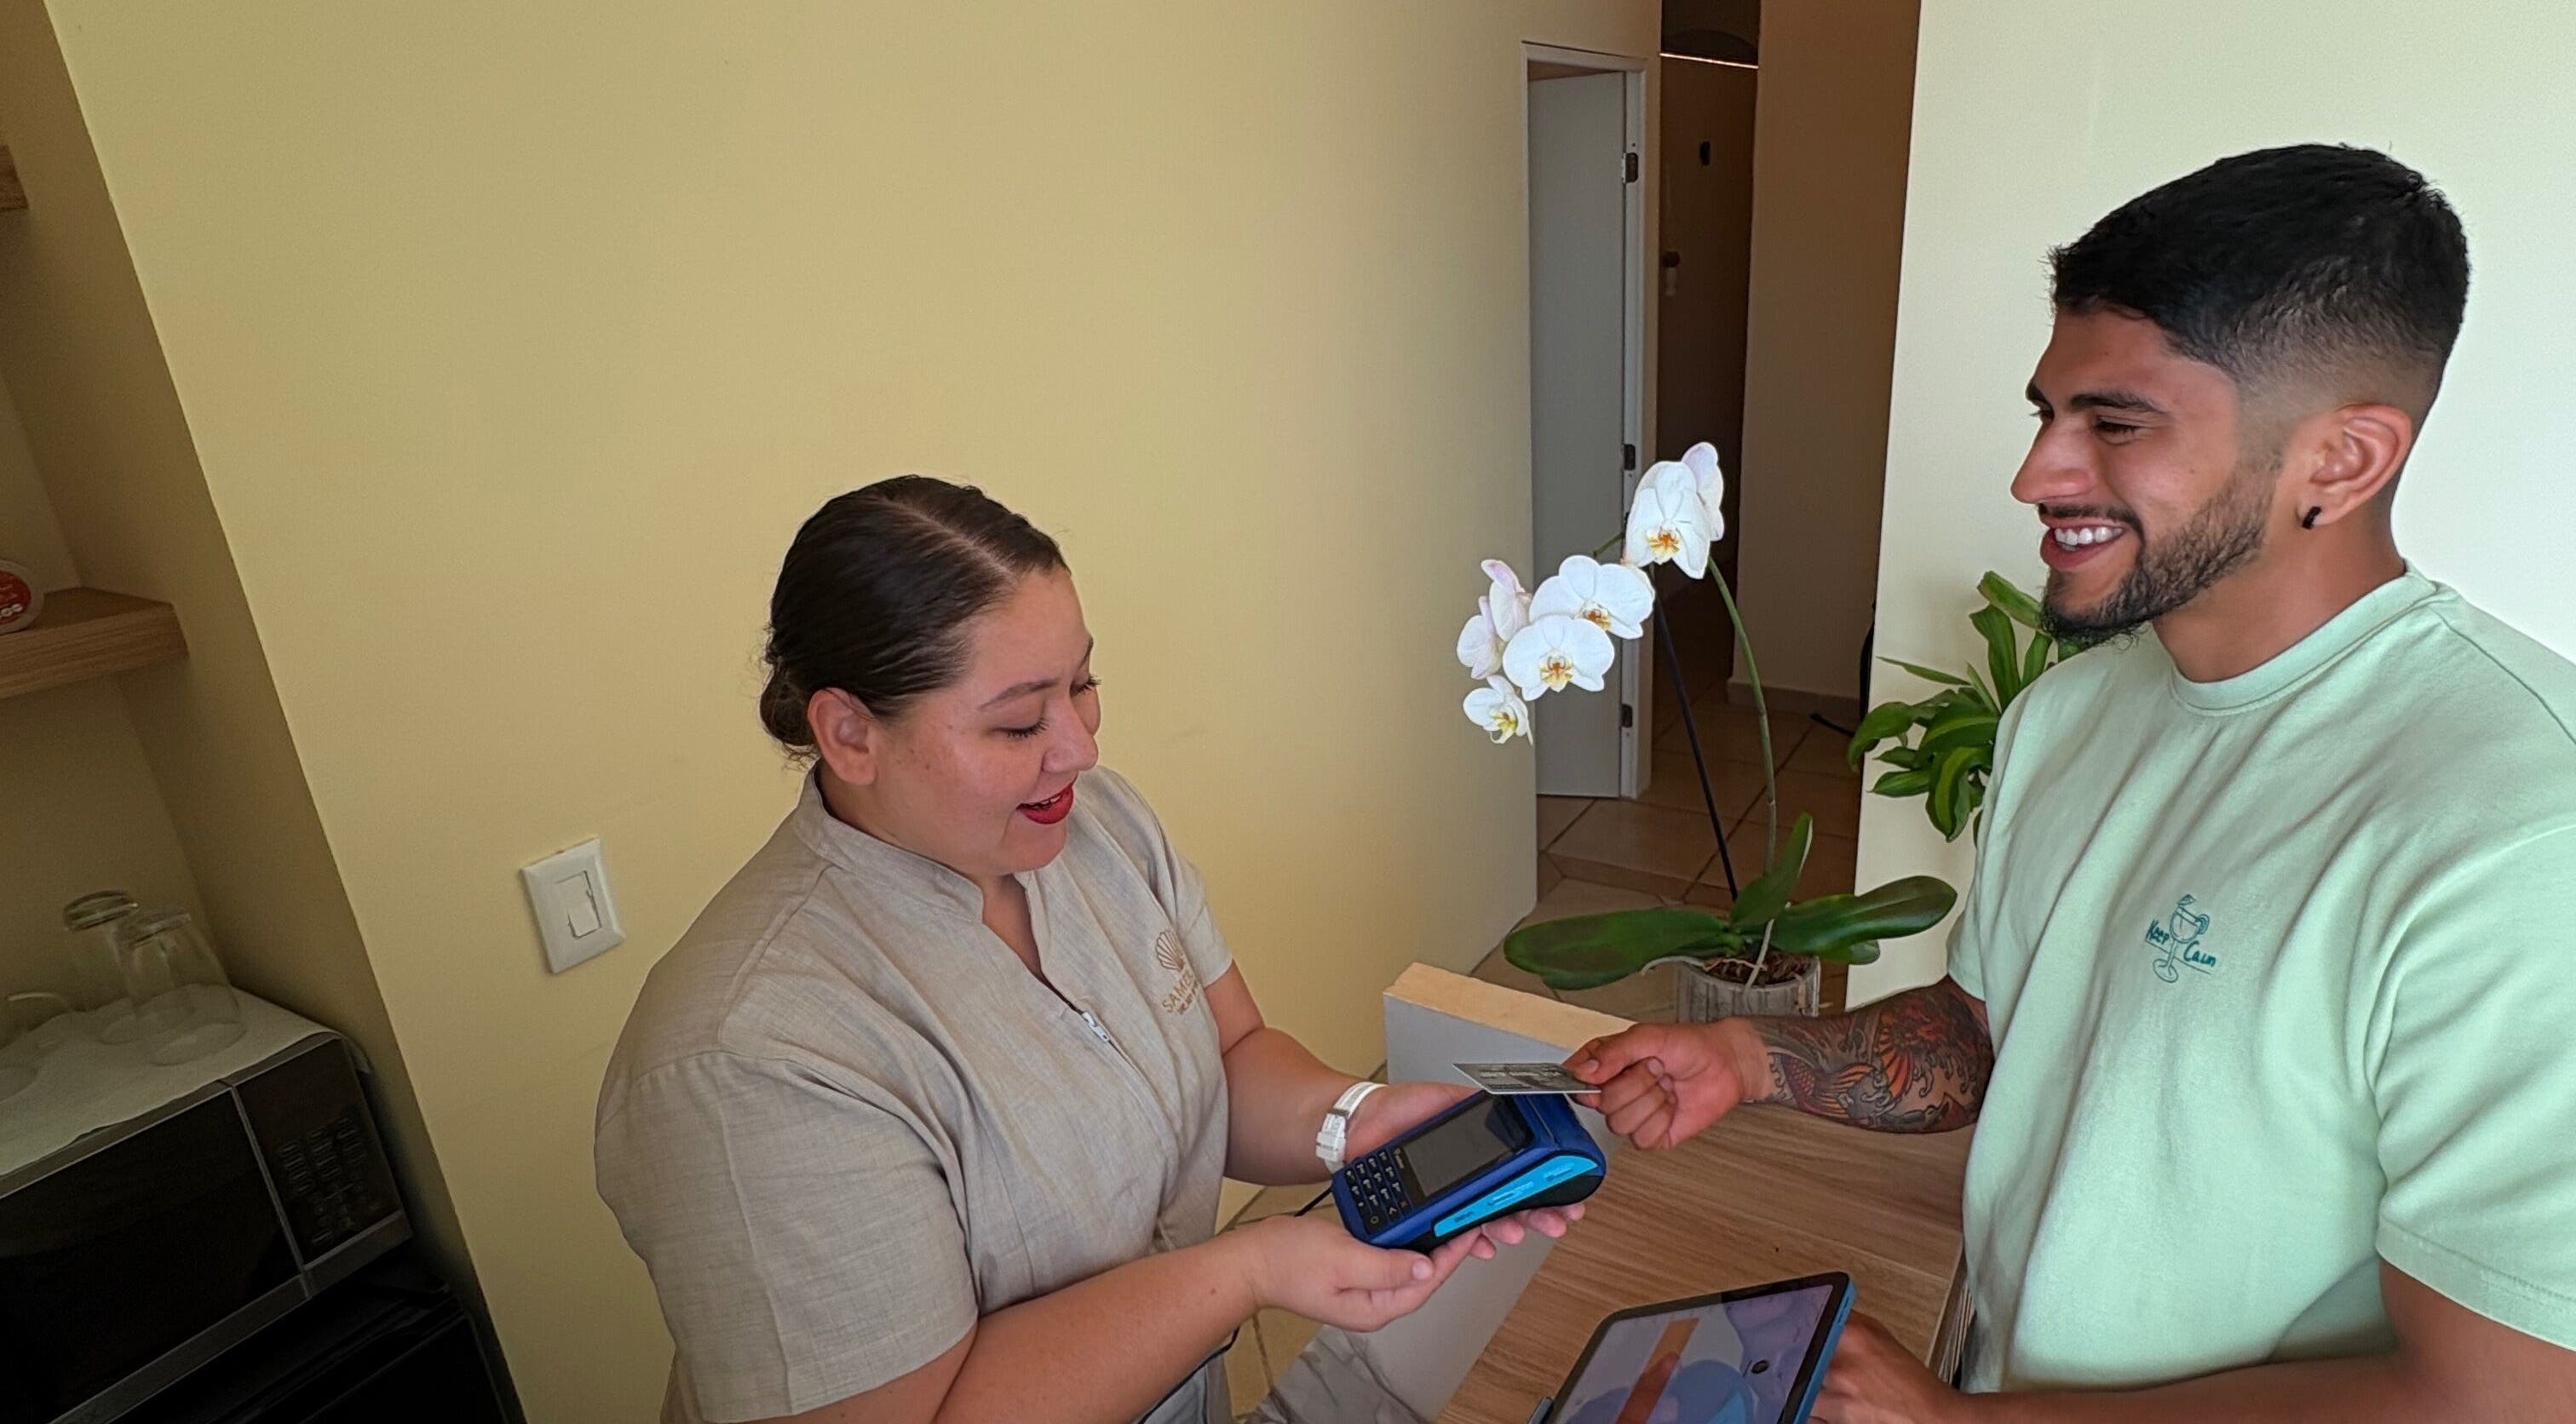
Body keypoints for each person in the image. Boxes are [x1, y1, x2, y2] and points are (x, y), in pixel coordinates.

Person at [1567, 144, 2576, 1421]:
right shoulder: (2070, 711)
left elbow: (2501, 1399)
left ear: (2342, 459)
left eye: (2116, 424)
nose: (2036, 475)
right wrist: (1752, 1057)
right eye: (2047, 413)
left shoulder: (2520, 831)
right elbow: (1995, 1031)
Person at [596, 477, 1578, 1424]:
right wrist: (1248, 1270)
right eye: (1020, 720)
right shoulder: (749, 1058)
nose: (1080, 748)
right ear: (851, 734)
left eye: (1083, 685)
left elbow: (1231, 1055)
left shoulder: (1094, 825)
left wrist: (1354, 1119)